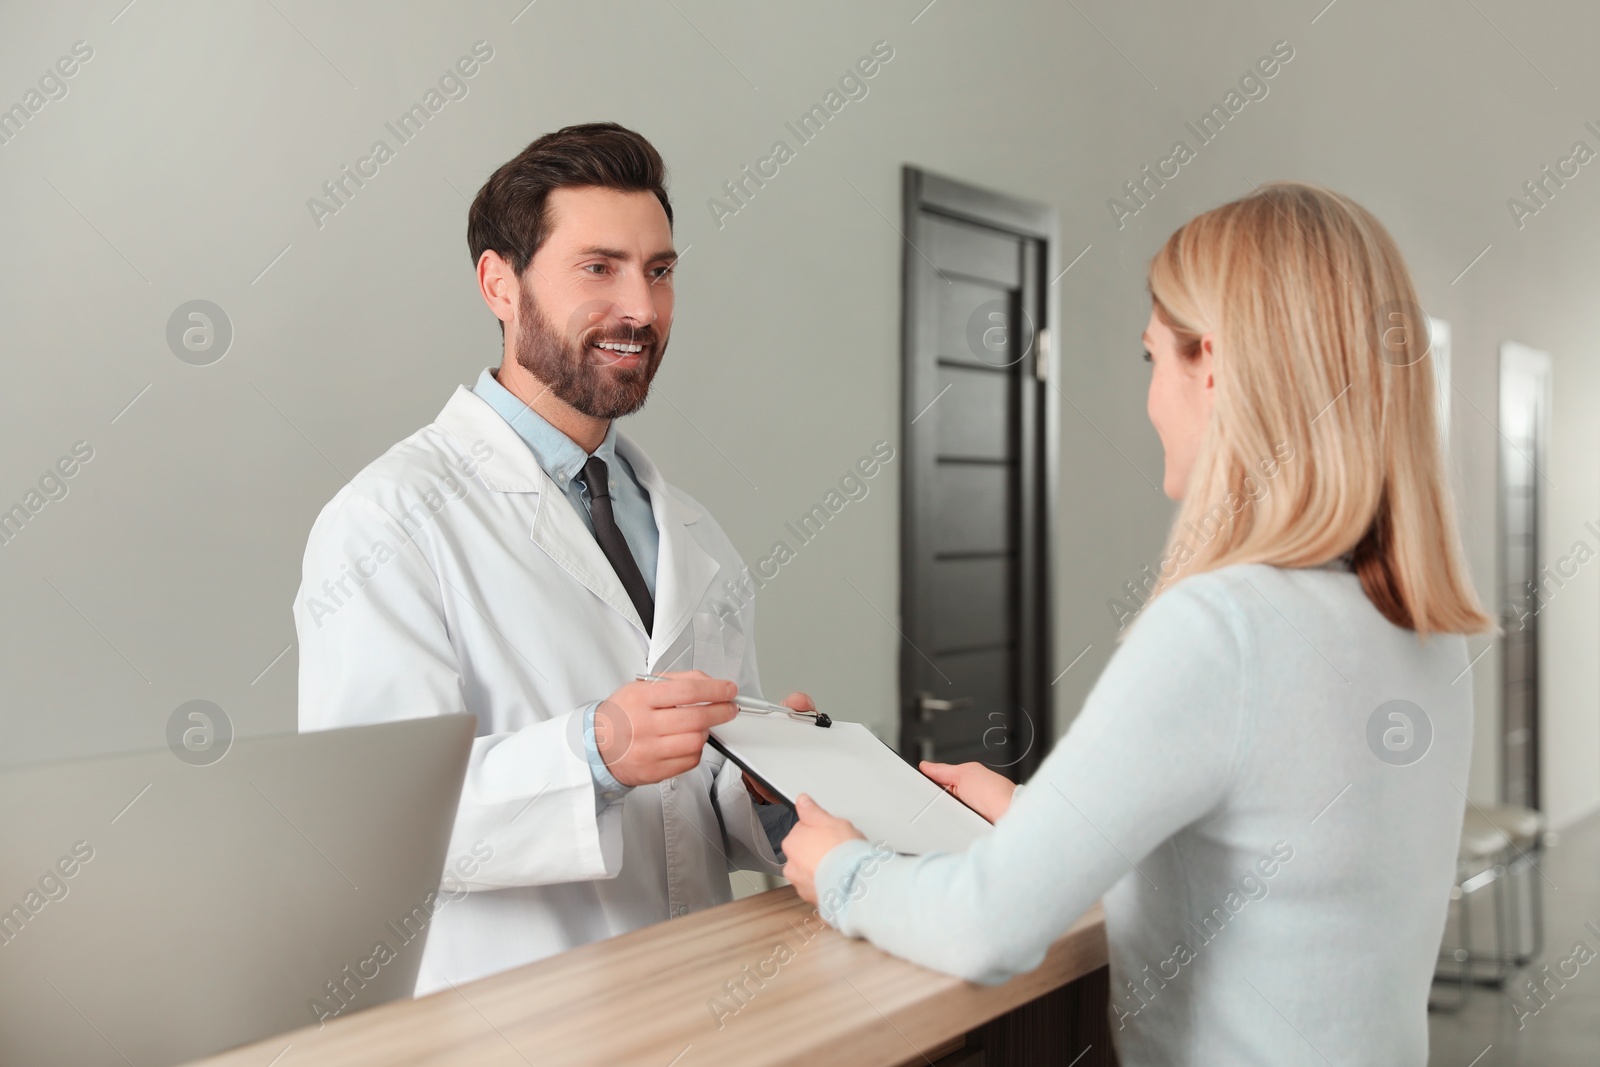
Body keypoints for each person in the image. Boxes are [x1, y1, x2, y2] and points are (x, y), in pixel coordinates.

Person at [781, 182, 1491, 1065]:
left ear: (1216, 365)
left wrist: (843, 870)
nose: (1152, 398)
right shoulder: (1424, 628)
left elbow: (988, 929)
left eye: (1151, 357)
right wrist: (1045, 820)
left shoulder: (1224, 624)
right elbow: (1276, 860)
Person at [294, 123, 806, 994]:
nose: (641, 309)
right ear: (500, 283)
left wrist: (767, 787)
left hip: (703, 1000)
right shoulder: (389, 521)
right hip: (518, 1017)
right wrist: (594, 751)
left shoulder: (690, 532)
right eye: (598, 268)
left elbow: (689, 797)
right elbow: (374, 829)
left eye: (660, 270)